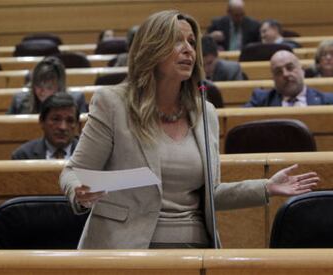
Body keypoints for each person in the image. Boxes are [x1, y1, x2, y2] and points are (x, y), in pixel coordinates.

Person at [60, 10, 319, 249]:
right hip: (125, 246)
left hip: (193, 248)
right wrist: (79, 191)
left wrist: (265, 187)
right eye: (177, 41)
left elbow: (211, 194)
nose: (188, 50)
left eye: (191, 42)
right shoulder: (113, 103)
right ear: (152, 48)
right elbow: (73, 172)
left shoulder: (204, 113)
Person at [245, 50, 333, 107]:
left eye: (290, 67)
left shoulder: (328, 101)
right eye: (278, 72)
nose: (285, 74)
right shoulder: (260, 101)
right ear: (273, 79)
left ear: (302, 70)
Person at [7, 56, 87, 116]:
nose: (42, 91)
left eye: (49, 87)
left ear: (59, 87)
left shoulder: (76, 100)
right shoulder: (19, 101)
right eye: (38, 86)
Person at [11, 93, 79, 160]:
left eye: (70, 121)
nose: (63, 127)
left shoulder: (88, 155)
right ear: (42, 122)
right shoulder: (23, 156)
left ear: (76, 124)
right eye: (56, 119)